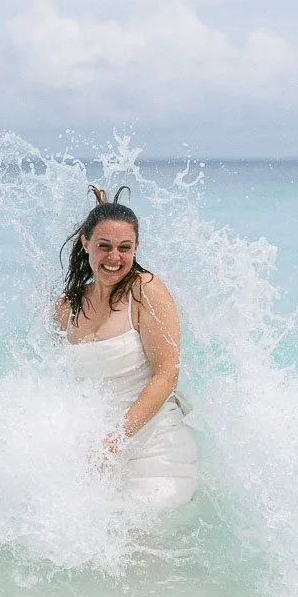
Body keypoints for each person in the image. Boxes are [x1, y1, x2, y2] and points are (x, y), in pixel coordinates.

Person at [52, 186, 199, 510]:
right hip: (100, 453)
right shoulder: (68, 307)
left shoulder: (144, 290)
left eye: (124, 247)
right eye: (104, 246)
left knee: (141, 540)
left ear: (136, 248)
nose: (114, 257)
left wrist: (115, 439)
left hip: (156, 448)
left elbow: (165, 376)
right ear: (85, 243)